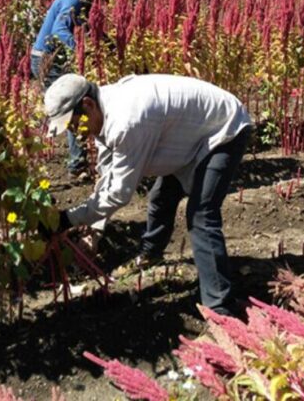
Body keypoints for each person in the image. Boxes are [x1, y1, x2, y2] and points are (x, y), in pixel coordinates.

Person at [43, 73, 253, 317]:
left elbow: (119, 192)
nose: (75, 132)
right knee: (161, 198)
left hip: (223, 129)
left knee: (201, 216)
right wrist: (95, 229)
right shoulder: (102, 111)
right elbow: (108, 176)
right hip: (188, 135)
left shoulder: (127, 120)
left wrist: (67, 219)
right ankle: (151, 255)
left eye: (72, 124)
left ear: (87, 105)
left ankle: (220, 307)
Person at [30, 0, 114, 177]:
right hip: (47, 60)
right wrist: (81, 49)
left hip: (54, 59)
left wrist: (109, 42)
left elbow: (88, 27)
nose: (102, 3)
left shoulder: (82, 4)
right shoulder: (73, 1)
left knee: (68, 108)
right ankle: (76, 163)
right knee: (71, 108)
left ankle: (74, 159)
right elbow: (59, 30)